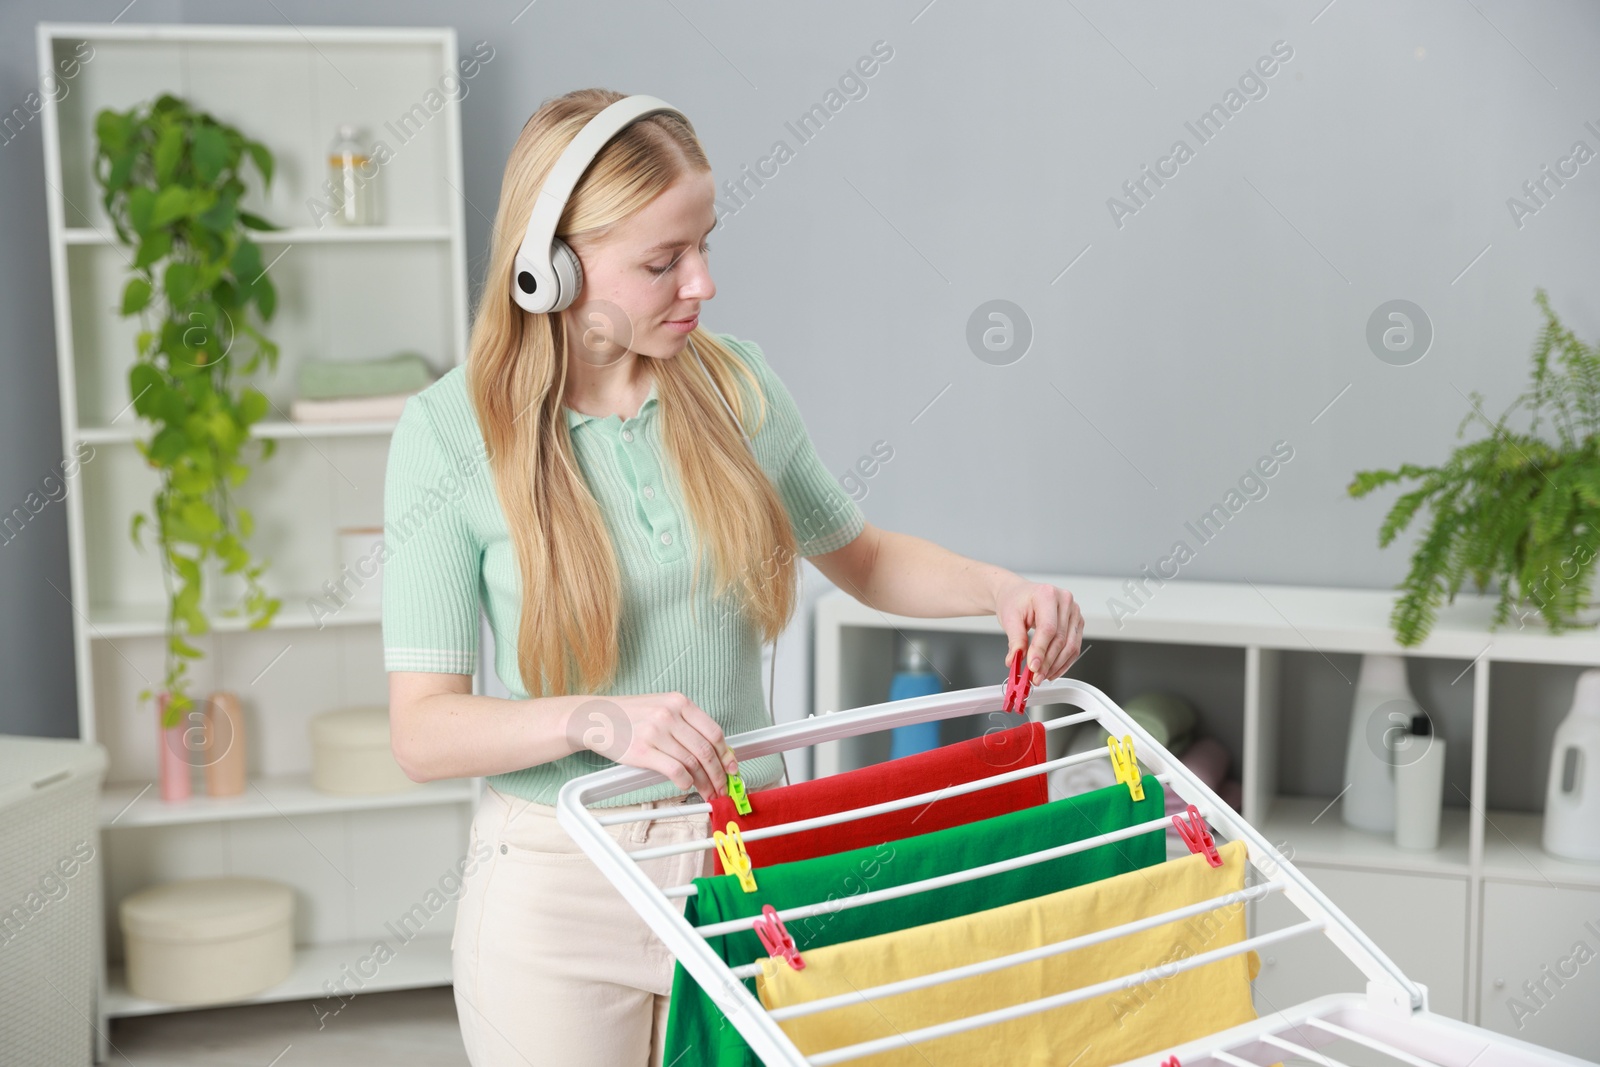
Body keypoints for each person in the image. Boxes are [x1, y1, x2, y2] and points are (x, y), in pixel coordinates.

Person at [381, 86, 1086, 1067]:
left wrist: (998, 589)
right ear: (551, 268)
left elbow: (865, 557)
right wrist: (597, 719)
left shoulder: (738, 387)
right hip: (556, 884)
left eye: (704, 243)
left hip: (744, 856)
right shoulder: (448, 433)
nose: (702, 282)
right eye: (662, 260)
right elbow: (422, 728)